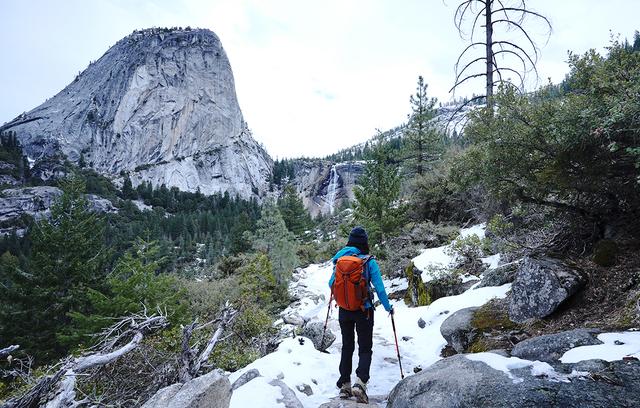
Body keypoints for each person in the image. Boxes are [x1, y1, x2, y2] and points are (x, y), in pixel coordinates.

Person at [328, 226, 393, 404]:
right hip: (364, 310)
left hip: (344, 310)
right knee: (365, 347)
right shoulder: (368, 261)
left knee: (347, 346)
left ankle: (344, 385)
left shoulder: (340, 260)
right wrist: (388, 307)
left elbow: (331, 283)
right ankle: (361, 383)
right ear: (364, 242)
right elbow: (379, 288)